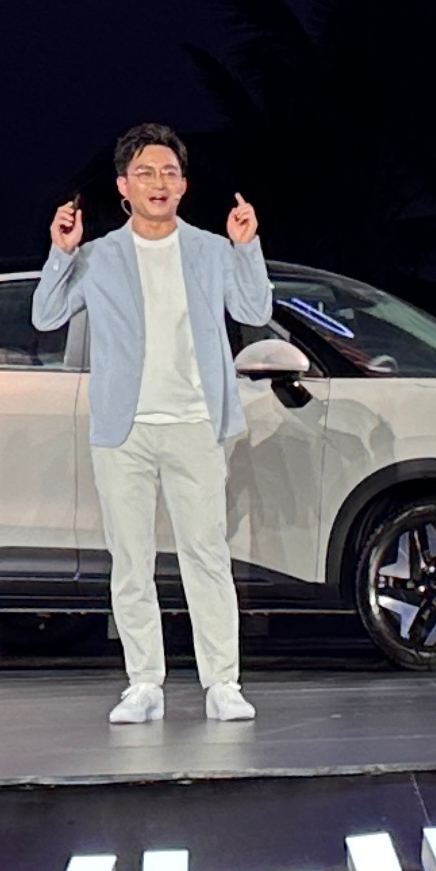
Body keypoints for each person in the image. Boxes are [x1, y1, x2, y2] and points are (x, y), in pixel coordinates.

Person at [32, 123, 281, 727]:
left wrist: (247, 247)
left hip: (195, 423)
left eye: (169, 171)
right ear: (124, 185)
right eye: (145, 172)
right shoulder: (99, 256)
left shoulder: (211, 250)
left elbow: (255, 310)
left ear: (184, 184)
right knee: (131, 562)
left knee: (207, 558)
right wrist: (61, 252)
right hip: (124, 430)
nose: (159, 182)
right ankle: (143, 683)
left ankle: (223, 683)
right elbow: (46, 316)